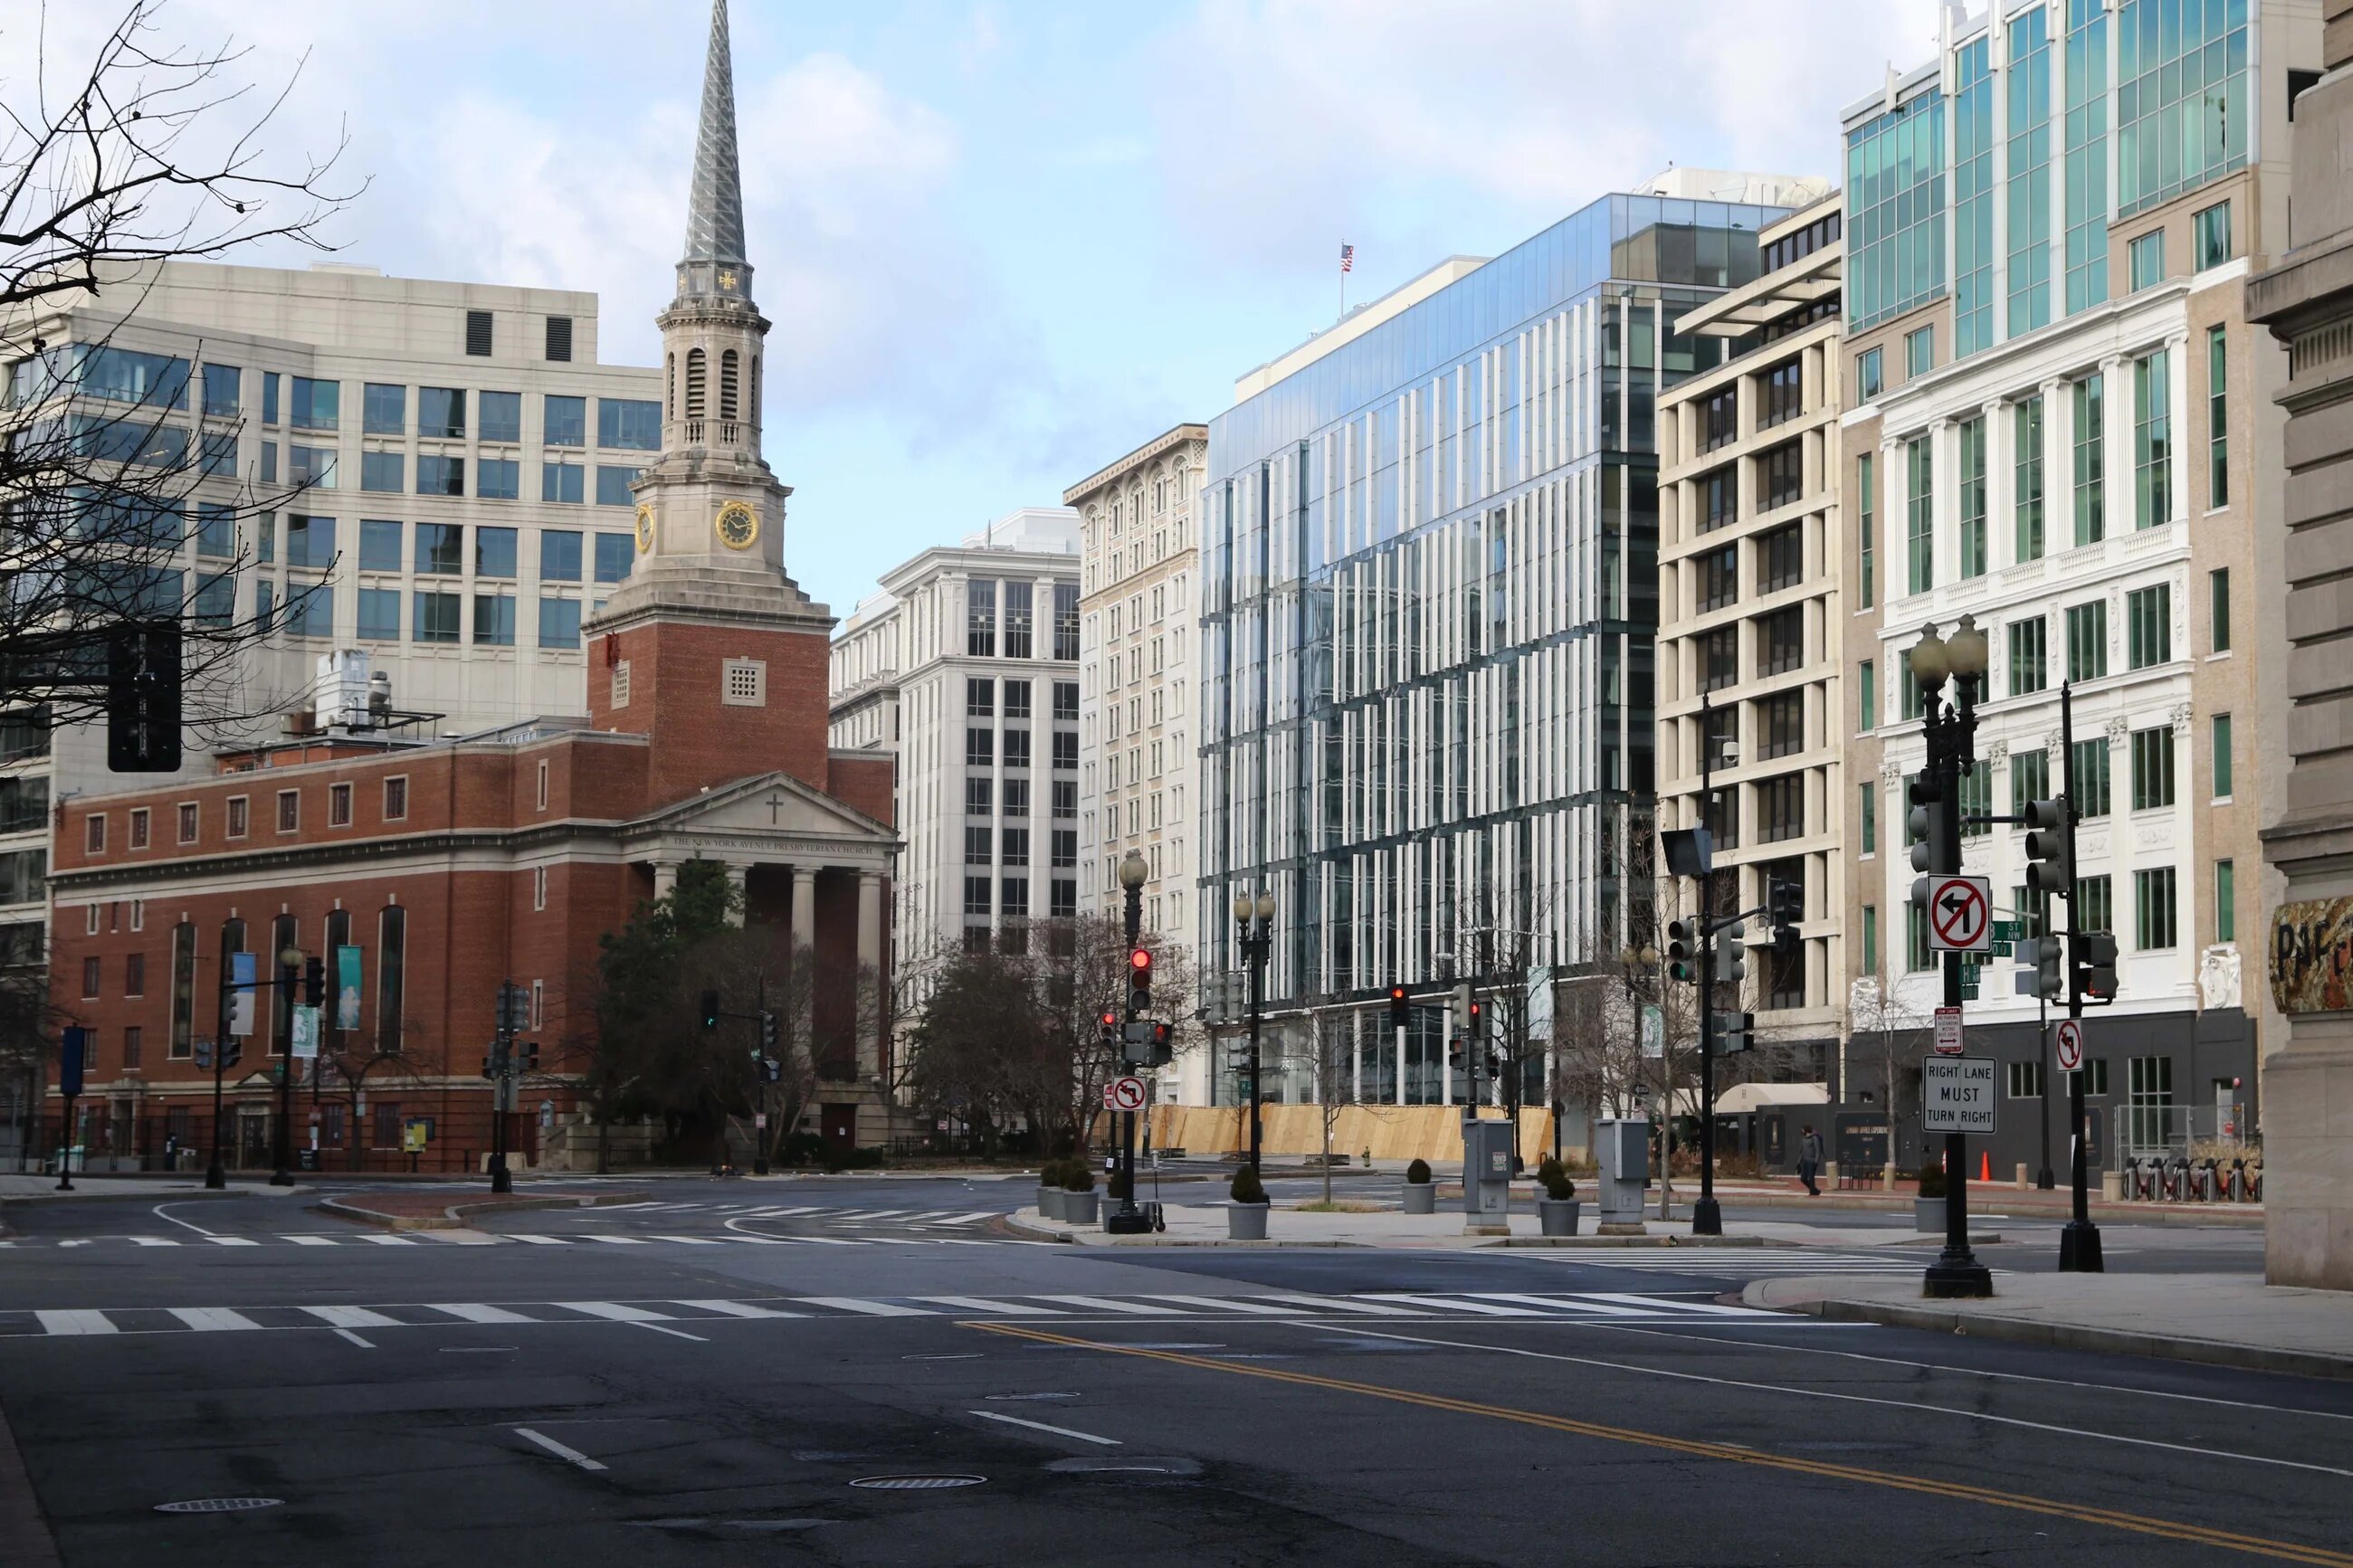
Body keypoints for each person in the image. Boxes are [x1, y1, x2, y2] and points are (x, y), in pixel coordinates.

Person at [1797, 1125, 1824, 1197]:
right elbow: (1801, 1152)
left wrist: (1816, 1162)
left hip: (1812, 1161)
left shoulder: (1814, 1138)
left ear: (1806, 1130)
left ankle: (1812, 1192)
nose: (1801, 1131)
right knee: (1803, 1178)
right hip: (1804, 1162)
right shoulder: (1804, 1139)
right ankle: (1815, 1190)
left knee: (1811, 1177)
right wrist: (1798, 1163)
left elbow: (1818, 1151)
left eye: (1803, 1129)